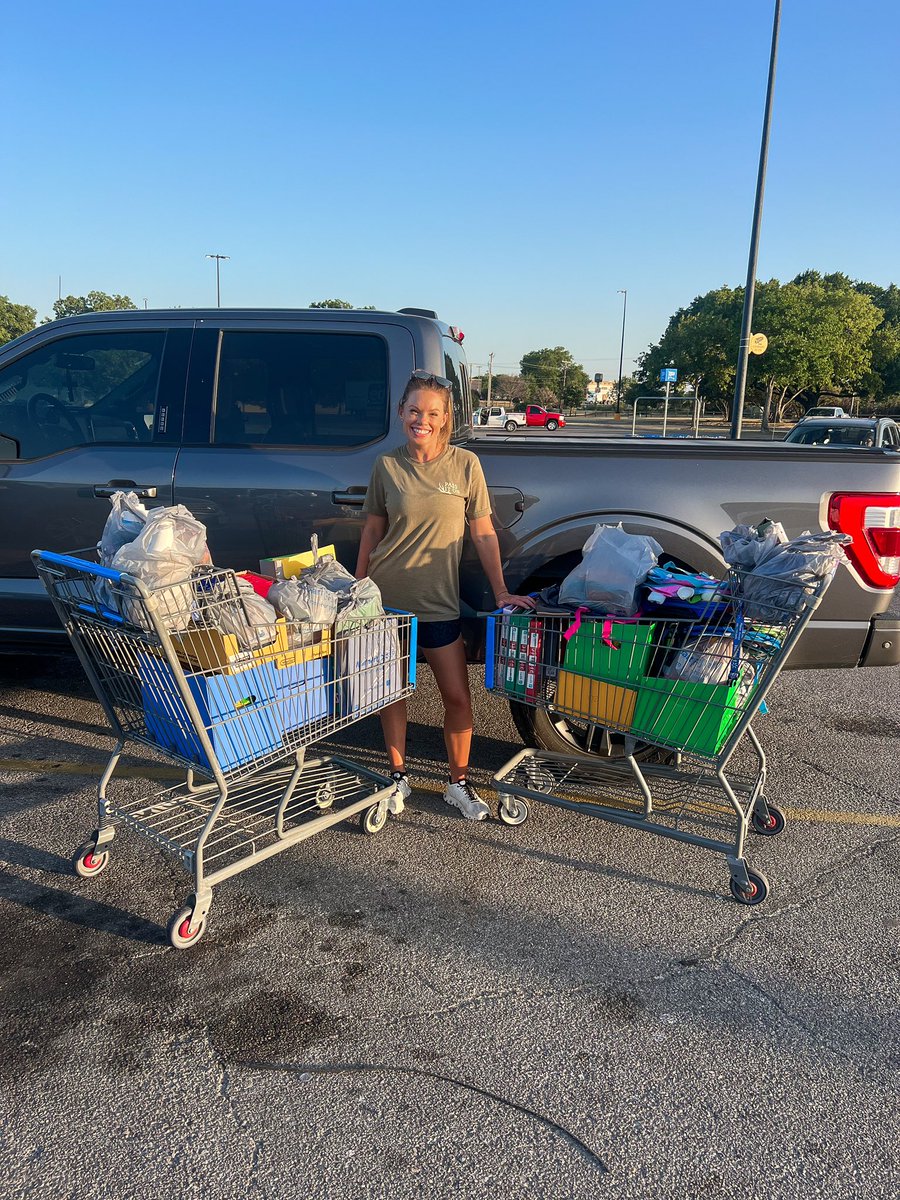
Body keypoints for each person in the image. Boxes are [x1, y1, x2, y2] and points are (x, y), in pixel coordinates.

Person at [355, 370, 536, 820]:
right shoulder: (387, 466)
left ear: (445, 418)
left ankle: (458, 782)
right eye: (414, 410)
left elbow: (484, 533)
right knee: (391, 693)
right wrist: (357, 586)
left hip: (438, 605)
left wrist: (501, 592)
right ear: (402, 413)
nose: (423, 419)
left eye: (432, 413)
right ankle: (397, 778)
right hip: (387, 601)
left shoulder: (465, 465)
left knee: (457, 697)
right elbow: (373, 529)